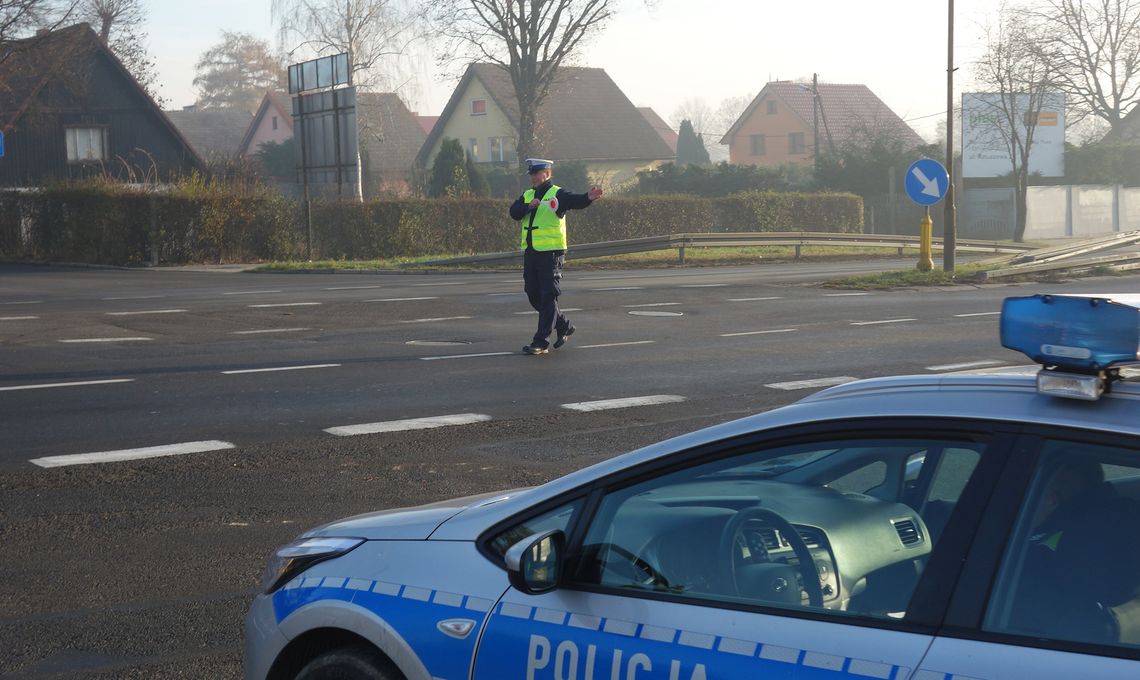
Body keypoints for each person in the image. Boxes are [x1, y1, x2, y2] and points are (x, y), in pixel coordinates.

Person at [509, 158, 603, 355]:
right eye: (531, 174)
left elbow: (575, 200)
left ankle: (541, 342)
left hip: (551, 253)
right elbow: (514, 212)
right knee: (532, 292)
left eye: (537, 173)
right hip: (532, 252)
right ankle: (563, 324)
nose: (533, 177)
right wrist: (528, 206)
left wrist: (588, 197)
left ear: (548, 174)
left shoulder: (556, 194)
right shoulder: (528, 195)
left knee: (548, 295)